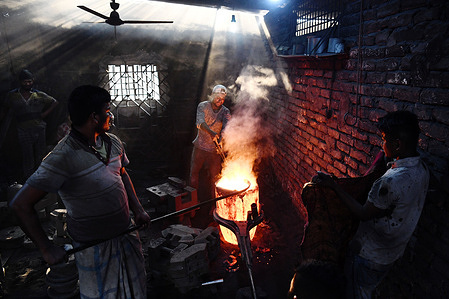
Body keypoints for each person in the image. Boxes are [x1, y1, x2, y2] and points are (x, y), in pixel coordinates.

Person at [9, 85, 151, 298]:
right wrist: (46, 248)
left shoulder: (113, 142)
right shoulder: (62, 157)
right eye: (107, 110)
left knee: (135, 291)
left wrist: (138, 209)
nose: (111, 115)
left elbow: (122, 173)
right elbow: (20, 204)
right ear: (94, 116)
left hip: (125, 235)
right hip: (94, 248)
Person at [313, 110, 430, 299]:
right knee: (371, 288)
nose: (382, 145)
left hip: (370, 255)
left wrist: (333, 185)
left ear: (397, 145)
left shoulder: (390, 182)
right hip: (393, 251)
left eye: (384, 140)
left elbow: (363, 213)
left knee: (358, 292)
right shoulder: (422, 169)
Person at [1, 69, 59, 181]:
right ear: (20, 82)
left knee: (40, 155)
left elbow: (54, 102)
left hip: (39, 128)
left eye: (29, 81)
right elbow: (5, 108)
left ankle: (42, 178)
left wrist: (44, 114)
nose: (27, 84)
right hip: (23, 129)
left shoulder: (38, 94)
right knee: (27, 156)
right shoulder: (13, 95)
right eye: (25, 82)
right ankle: (30, 180)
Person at [189, 84, 231, 198]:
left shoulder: (225, 112)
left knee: (215, 178)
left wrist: (221, 138)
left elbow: (226, 127)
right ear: (212, 95)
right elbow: (200, 123)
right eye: (218, 97)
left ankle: (215, 204)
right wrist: (211, 132)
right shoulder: (203, 106)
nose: (220, 100)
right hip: (200, 147)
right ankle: (193, 201)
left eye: (222, 98)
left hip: (214, 151)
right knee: (194, 173)